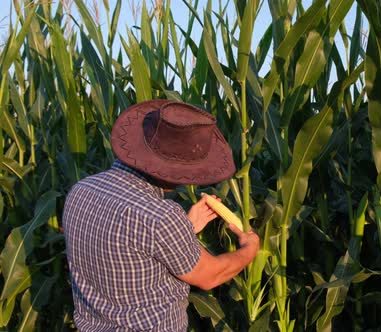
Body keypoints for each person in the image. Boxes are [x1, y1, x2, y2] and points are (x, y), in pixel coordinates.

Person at [62, 99, 259, 331]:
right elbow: (210, 276)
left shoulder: (81, 190)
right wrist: (249, 249)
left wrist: (185, 226)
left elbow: (127, 247)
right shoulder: (161, 217)